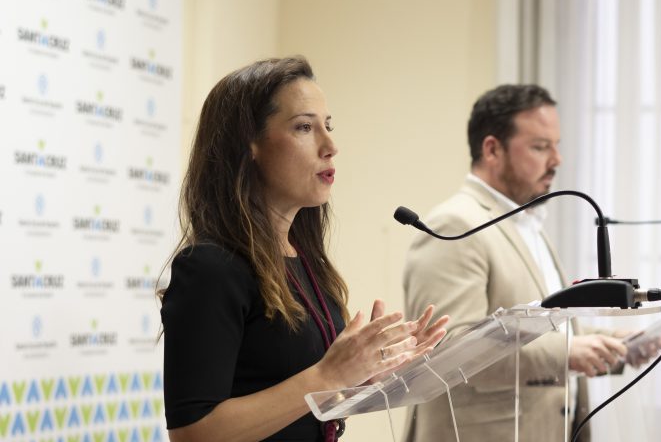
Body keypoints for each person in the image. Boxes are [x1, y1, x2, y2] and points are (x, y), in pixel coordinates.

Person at [158, 56, 449, 442]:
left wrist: (365, 374)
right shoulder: (210, 267)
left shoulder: (304, 260)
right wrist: (329, 376)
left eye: (328, 126)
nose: (330, 146)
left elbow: (299, 395)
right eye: (304, 127)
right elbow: (193, 433)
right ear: (248, 145)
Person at [402, 84, 643, 442]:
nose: (557, 160)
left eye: (556, 146)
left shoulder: (526, 223)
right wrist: (566, 353)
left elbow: (542, 331)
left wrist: (613, 344)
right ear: (492, 149)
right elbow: (449, 350)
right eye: (540, 147)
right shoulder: (456, 224)